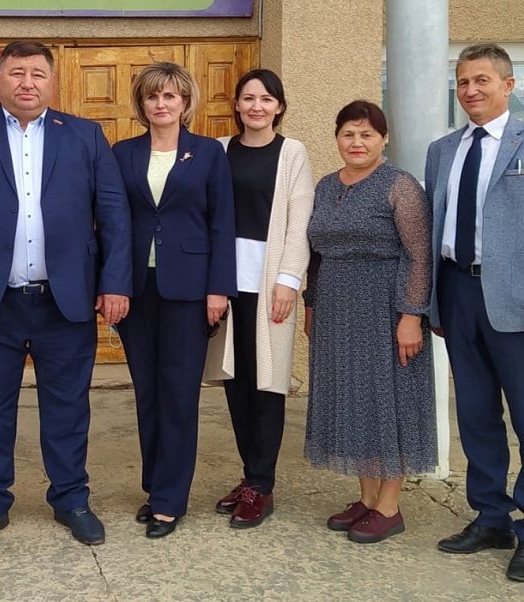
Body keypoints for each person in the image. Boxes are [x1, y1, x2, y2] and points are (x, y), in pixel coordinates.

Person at [0, 40, 132, 553]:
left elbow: (114, 213)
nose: (27, 82)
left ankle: (72, 499)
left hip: (67, 300)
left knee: (68, 407)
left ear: (52, 81)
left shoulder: (85, 135)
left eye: (37, 73)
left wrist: (115, 282)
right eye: (17, 72)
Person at [111, 61, 236, 539]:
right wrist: (111, 284)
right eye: (152, 96)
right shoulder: (123, 153)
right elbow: (113, 222)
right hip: (137, 290)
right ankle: (155, 487)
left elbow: (222, 222)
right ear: (141, 104)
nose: (161, 104)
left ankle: (169, 501)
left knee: (179, 394)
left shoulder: (207, 153)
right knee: (148, 392)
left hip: (189, 290)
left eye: (170, 96)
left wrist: (218, 288)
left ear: (185, 103)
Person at [303, 100, 436, 544]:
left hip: (386, 308)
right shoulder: (326, 185)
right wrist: (311, 305)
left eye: (366, 134)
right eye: (348, 134)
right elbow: (315, 255)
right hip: (335, 309)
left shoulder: (399, 185)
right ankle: (366, 497)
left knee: (388, 399)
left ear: (384, 139)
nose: (356, 142)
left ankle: (389, 507)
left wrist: (411, 314)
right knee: (353, 398)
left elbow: (419, 255)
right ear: (337, 138)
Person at [427, 43, 524, 581]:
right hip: (458, 291)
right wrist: (431, 301)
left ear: (508, 84)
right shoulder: (443, 149)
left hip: (515, 298)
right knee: (477, 414)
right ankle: (491, 517)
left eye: (482, 80)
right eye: (463, 81)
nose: (470, 90)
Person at [212, 69, 313, 529]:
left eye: (266, 99)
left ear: (279, 106)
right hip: (225, 284)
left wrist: (288, 281)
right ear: (236, 104)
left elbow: (299, 220)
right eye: (249, 98)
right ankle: (249, 475)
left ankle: (262, 485)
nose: (257, 106)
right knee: (235, 383)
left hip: (271, 284)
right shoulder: (218, 150)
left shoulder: (292, 153)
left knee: (267, 385)